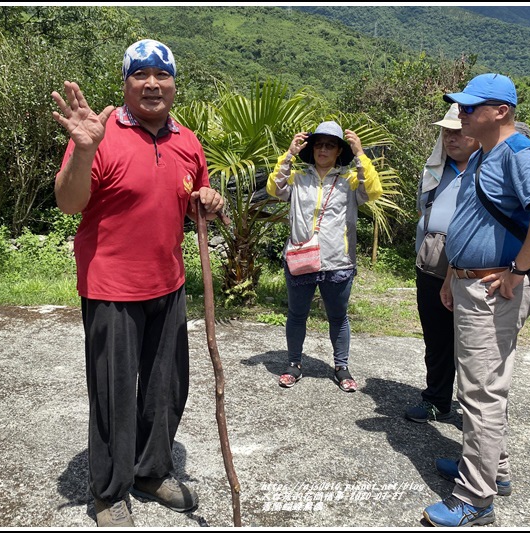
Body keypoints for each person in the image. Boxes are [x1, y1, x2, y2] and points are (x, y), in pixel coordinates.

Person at [50, 38, 224, 527]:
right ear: (126, 84)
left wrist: (211, 200)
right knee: (113, 393)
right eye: (140, 76)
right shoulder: (97, 135)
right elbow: (68, 202)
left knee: (167, 389)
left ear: (173, 84)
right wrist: (84, 151)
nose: (152, 84)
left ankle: (151, 471)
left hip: (168, 283)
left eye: (161, 75)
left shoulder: (187, 141)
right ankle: (108, 491)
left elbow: (195, 198)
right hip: (111, 288)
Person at [422, 73, 530, 527]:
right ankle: (493, 470)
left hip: (492, 288)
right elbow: (469, 220)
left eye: (469, 107)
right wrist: (450, 274)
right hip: (468, 281)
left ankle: (475, 498)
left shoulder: (518, 152)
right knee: (481, 385)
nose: (460, 114)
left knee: (481, 392)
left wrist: (519, 270)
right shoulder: (485, 154)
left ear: (500, 111)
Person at [266, 121, 382, 392]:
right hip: (300, 257)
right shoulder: (298, 178)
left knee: (338, 316)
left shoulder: (351, 181)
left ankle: (341, 366)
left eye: (330, 145)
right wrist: (290, 154)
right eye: (319, 144)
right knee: (297, 314)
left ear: (339, 150)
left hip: (337, 260)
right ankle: (294, 363)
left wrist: (361, 153)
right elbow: (274, 187)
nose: (323, 149)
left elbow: (374, 190)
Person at [405, 103, 479, 424]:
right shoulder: (434, 170)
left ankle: (475, 412)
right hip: (431, 265)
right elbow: (424, 211)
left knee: (473, 344)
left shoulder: (486, 170)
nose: (451, 138)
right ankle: (436, 400)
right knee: (436, 340)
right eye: (447, 131)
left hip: (472, 268)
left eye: (459, 131)